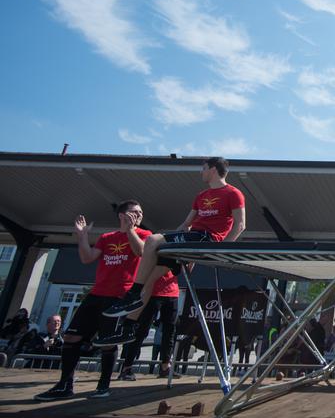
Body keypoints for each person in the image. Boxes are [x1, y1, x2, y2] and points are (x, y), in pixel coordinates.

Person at [99, 157, 246, 344]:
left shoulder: (233, 193)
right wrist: (172, 244)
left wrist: (220, 250)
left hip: (206, 238)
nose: (201, 172)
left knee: (152, 239)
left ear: (213, 169)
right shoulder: (201, 195)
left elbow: (240, 225)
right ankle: (128, 328)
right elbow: (185, 225)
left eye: (203, 168)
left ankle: (133, 293)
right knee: (150, 279)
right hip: (189, 240)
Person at [35, 201, 149, 400]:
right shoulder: (107, 238)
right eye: (134, 212)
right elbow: (87, 258)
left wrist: (131, 230)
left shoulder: (144, 234)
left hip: (119, 296)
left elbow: (141, 252)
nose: (139, 215)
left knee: (107, 341)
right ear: (122, 215)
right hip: (97, 294)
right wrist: (82, 236)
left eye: (140, 213)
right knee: (71, 337)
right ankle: (65, 385)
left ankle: (103, 386)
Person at [113, 264, 179, 379]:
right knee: (141, 330)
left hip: (172, 292)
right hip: (152, 292)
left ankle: (165, 367)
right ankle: (127, 367)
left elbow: (185, 270)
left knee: (170, 332)